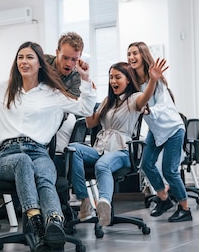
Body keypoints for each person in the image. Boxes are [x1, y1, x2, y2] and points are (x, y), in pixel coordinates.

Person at [0, 42, 96, 252]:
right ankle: (38, 226)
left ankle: (54, 225)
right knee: (23, 160)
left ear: (40, 63)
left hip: (39, 151)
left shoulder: (52, 94)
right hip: (8, 155)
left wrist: (86, 79)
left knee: (44, 173)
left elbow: (86, 109)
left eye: (30, 57)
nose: (24, 61)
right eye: (20, 57)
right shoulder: (3, 88)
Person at [68, 60, 167, 227]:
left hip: (122, 151)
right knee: (73, 149)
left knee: (102, 165)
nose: (113, 81)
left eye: (117, 77)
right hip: (100, 149)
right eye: (111, 77)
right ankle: (85, 200)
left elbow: (145, 98)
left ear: (128, 79)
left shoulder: (135, 98)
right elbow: (91, 123)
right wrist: (86, 98)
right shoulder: (108, 101)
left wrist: (152, 80)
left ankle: (104, 203)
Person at [0, 32, 85, 153]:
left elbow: (66, 108)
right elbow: (17, 84)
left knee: (62, 138)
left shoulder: (77, 78)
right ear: (57, 53)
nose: (69, 63)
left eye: (74, 59)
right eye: (65, 58)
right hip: (31, 107)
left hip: (54, 115)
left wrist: (43, 129)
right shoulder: (41, 60)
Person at [127, 42, 192, 223]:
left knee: (170, 171)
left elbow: (163, 104)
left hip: (173, 128)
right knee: (146, 164)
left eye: (135, 53)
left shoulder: (156, 79)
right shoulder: (133, 84)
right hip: (156, 131)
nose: (131, 57)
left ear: (143, 55)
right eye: (129, 54)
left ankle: (185, 209)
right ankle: (164, 200)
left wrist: (149, 111)